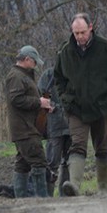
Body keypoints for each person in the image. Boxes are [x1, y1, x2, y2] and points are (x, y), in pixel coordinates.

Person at [54, 13, 107, 196]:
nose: (79, 37)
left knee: (102, 147)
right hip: (76, 108)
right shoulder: (65, 52)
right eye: (76, 33)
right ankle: (74, 185)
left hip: (101, 107)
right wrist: (65, 99)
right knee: (77, 144)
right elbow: (58, 78)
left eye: (83, 32)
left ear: (91, 28)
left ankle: (103, 188)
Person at [5, 45, 53, 198]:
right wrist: (39, 102)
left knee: (23, 164)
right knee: (39, 162)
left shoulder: (23, 75)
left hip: (27, 128)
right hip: (25, 130)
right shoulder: (16, 76)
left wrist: (43, 105)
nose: (35, 65)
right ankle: (42, 198)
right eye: (34, 62)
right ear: (27, 59)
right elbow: (16, 99)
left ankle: (21, 199)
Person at [37, 67, 71, 196]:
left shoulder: (77, 70)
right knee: (52, 163)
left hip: (72, 123)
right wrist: (49, 104)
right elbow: (40, 95)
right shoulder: (48, 75)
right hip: (54, 124)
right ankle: (48, 195)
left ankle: (65, 194)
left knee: (69, 162)